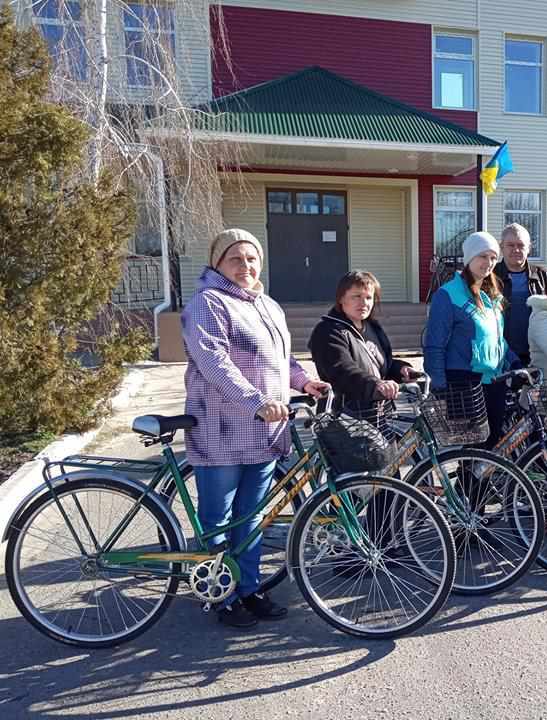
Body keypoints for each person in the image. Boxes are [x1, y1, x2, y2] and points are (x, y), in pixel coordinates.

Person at [181, 229, 328, 630]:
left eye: (251, 258)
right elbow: (214, 362)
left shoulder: (267, 305)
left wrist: (304, 382)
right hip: (222, 431)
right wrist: (256, 402)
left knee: (251, 518)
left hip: (265, 432)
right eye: (235, 259)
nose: (245, 266)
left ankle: (249, 588)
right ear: (217, 263)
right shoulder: (208, 304)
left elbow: (282, 360)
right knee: (219, 519)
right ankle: (220, 595)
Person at [423, 231, 517, 447]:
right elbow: (434, 344)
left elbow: (498, 340)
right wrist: (438, 385)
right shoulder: (448, 294)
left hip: (494, 381)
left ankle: (482, 482)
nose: (489, 262)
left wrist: (515, 362)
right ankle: (469, 482)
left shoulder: (491, 296)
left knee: (492, 445)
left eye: (493, 257)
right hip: (463, 383)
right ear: (469, 258)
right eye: (483, 256)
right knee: (472, 451)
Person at [308, 270, 414, 414]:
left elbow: (381, 366)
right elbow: (342, 370)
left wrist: (401, 369)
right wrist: (376, 384)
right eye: (356, 296)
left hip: (379, 414)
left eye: (369, 297)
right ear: (341, 298)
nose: (364, 303)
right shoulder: (328, 331)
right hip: (345, 417)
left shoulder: (372, 327)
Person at [493, 223, 547, 366]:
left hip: (537, 354)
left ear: (529, 248)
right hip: (500, 355)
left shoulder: (544, 276)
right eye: (510, 245)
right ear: (501, 247)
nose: (516, 249)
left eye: (521, 245)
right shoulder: (490, 277)